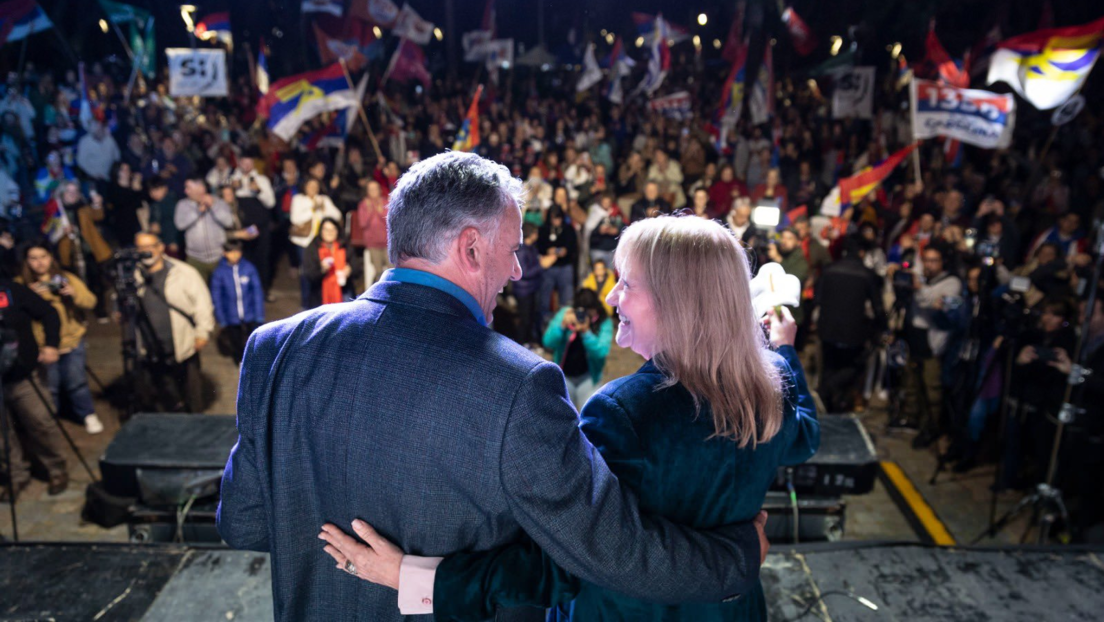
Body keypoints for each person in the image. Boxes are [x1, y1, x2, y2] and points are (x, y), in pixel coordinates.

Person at [218, 152, 768, 622]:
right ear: (472, 248)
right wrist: (739, 556)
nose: (515, 273)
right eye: (513, 251)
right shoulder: (517, 386)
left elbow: (242, 523)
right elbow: (608, 552)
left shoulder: (275, 346)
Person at [318, 215, 819, 622]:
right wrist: (785, 354)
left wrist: (411, 578)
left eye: (627, 284)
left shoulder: (624, 411)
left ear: (677, 302)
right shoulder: (769, 387)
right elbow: (804, 436)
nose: (611, 298)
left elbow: (564, 566)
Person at [18, 243, 102, 434]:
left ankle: (87, 414)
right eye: (33, 258)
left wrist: (74, 294)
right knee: (50, 387)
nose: (39, 263)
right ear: (26, 261)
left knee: (77, 381)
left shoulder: (67, 279)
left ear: (51, 258)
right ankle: (51, 421)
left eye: (43, 256)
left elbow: (91, 301)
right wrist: (28, 297)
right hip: (42, 346)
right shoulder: (20, 284)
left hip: (72, 341)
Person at [133, 232, 215, 413]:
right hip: (150, 347)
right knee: (160, 391)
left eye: (150, 247)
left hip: (183, 343)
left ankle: (195, 423)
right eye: (141, 248)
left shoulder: (184, 272)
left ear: (160, 247)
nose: (146, 252)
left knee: (190, 389)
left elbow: (203, 303)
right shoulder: (134, 276)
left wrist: (203, 332)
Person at [0, 272, 64, 501]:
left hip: (23, 376)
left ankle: (56, 469)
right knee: (1, 435)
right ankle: (16, 475)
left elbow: (49, 313)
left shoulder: (12, 290)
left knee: (41, 423)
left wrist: (51, 345)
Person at [815, 237, 887, 413]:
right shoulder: (866, 274)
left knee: (829, 365)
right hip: (853, 330)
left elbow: (817, 298)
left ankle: (826, 400)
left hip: (827, 327)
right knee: (853, 366)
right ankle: (830, 394)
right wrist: (882, 327)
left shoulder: (829, 270)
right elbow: (878, 306)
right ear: (861, 253)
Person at [903, 244, 963, 448]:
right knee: (913, 382)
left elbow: (930, 302)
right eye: (926, 260)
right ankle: (913, 418)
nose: (929, 264)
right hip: (914, 337)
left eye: (934, 260)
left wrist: (919, 288)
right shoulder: (920, 277)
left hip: (933, 342)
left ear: (942, 262)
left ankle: (932, 428)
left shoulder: (952, 282)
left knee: (932, 389)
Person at [542, 288, 614, 407]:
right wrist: (562, 326)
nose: (584, 315)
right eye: (581, 311)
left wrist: (586, 332)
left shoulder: (603, 321)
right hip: (565, 377)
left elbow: (601, 351)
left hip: (589, 378)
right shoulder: (567, 313)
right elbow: (548, 342)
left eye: (589, 312)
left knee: (589, 416)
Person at [289, 176, 341, 307]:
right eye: (310, 185)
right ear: (305, 187)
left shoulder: (323, 199)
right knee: (307, 272)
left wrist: (324, 209)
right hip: (304, 242)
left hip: (321, 243)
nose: (313, 188)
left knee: (322, 271)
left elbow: (337, 215)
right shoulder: (298, 199)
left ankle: (322, 301)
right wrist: (312, 208)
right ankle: (306, 303)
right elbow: (296, 219)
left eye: (315, 186)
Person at [211, 240, 265, 365]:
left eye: (237, 251)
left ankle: (254, 359)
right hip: (231, 315)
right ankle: (240, 359)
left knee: (253, 338)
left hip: (249, 312)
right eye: (231, 252)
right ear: (225, 253)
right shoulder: (219, 272)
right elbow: (217, 297)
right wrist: (221, 317)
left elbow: (257, 292)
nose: (235, 255)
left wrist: (259, 314)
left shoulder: (249, 268)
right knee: (235, 339)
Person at [174, 176, 235, 283]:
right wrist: (198, 211)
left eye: (188, 188)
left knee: (219, 292)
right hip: (194, 259)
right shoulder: (182, 204)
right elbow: (180, 225)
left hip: (219, 258)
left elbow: (228, 222)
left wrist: (213, 206)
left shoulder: (218, 202)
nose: (185, 191)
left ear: (201, 188)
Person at [230, 155, 275, 295]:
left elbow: (271, 203)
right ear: (239, 164)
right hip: (241, 227)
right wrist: (232, 188)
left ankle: (263, 290)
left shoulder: (262, 180)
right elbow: (220, 193)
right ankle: (245, 291)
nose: (247, 166)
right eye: (244, 163)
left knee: (262, 258)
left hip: (261, 226)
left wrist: (258, 191)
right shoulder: (232, 179)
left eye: (250, 163)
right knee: (243, 258)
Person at [302, 217, 360, 307]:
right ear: (321, 231)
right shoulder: (313, 248)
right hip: (320, 295)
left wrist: (350, 270)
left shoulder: (345, 246)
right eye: (326, 229)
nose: (329, 232)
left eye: (333, 229)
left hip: (344, 292)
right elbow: (308, 274)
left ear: (337, 231)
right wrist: (322, 270)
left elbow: (357, 268)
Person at [537, 206, 578, 326]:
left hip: (565, 266)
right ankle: (544, 326)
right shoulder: (544, 229)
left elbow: (573, 247)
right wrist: (548, 251)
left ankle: (566, 324)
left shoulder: (569, 229)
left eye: (559, 218)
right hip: (548, 268)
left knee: (567, 299)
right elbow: (539, 246)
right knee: (544, 298)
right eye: (554, 219)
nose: (556, 221)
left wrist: (565, 250)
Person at [349, 180, 390, 285]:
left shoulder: (386, 202)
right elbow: (362, 223)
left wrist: (380, 211)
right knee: (378, 271)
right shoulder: (363, 204)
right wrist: (370, 210)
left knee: (391, 270)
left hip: (388, 243)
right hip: (373, 244)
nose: (374, 191)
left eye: (376, 189)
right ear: (367, 191)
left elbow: (389, 221)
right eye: (371, 189)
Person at [75, 121, 120, 187]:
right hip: (94, 177)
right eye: (97, 130)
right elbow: (81, 161)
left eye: (100, 129)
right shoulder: (84, 142)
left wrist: (115, 171)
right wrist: (94, 174)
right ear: (92, 132)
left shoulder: (109, 139)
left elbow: (117, 155)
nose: (99, 131)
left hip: (111, 175)